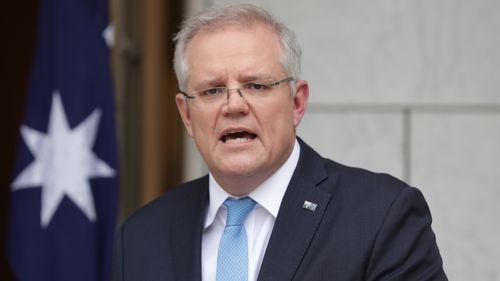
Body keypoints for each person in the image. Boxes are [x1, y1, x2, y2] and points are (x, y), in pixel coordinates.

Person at [112, 4, 447, 281]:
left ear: (296, 103)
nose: (234, 105)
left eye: (256, 85)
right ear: (186, 115)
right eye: (212, 90)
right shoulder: (141, 237)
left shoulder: (381, 217)